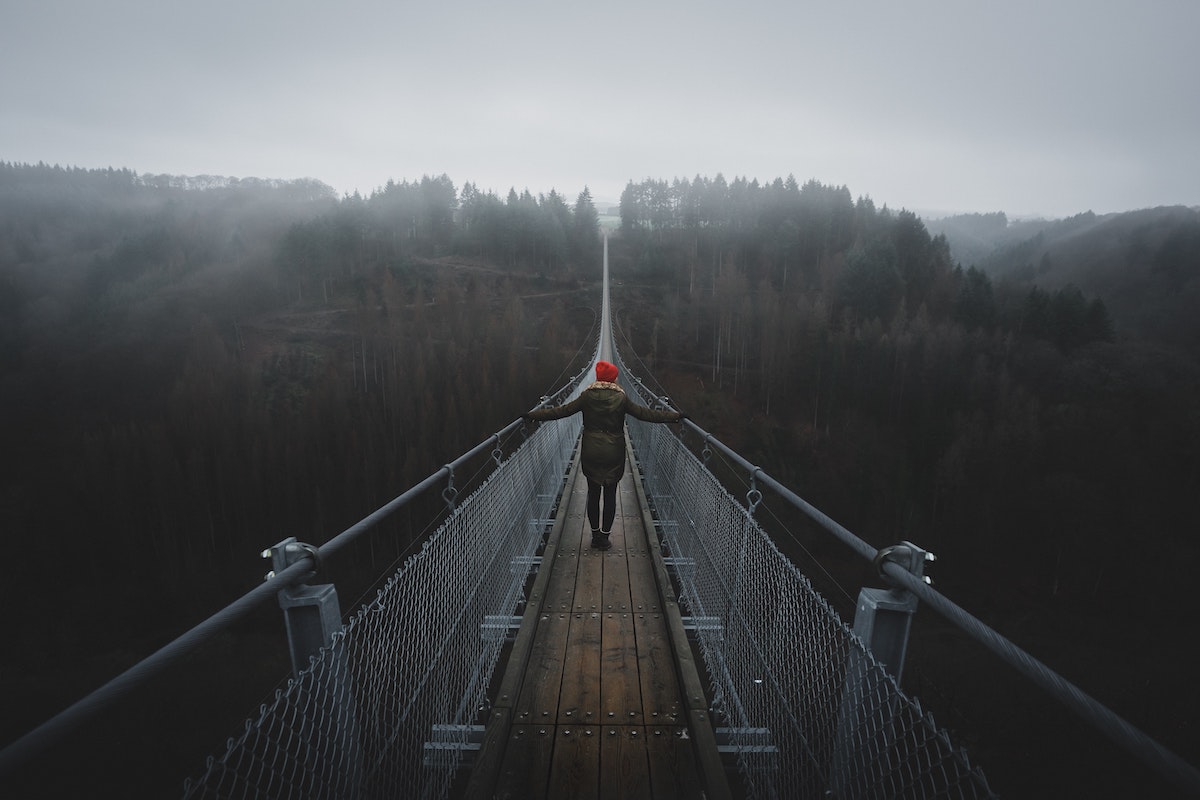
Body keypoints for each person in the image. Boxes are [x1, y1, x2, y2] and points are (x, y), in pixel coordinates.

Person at [524, 360, 683, 550]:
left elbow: (561, 412)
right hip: (614, 452)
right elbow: (644, 414)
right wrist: (675, 417)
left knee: (593, 494)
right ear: (612, 378)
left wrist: (533, 415)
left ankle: (595, 536)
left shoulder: (586, 396)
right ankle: (605, 538)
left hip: (591, 452)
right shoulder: (621, 398)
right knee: (610, 495)